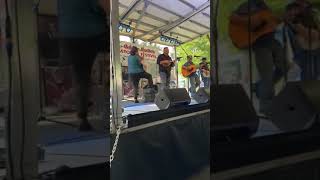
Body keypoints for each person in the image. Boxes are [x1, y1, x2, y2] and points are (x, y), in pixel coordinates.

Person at [58, 0, 109, 131]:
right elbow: (105, 7)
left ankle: (83, 118)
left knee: (81, 76)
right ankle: (108, 112)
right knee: (107, 70)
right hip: (93, 34)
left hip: (69, 35)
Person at [230, 0, 287, 116]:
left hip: (271, 40)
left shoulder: (264, 5)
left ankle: (258, 87)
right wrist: (253, 23)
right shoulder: (247, 5)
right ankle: (266, 106)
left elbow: (269, 21)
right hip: (260, 43)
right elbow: (233, 17)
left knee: (284, 67)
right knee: (267, 74)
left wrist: (275, 21)